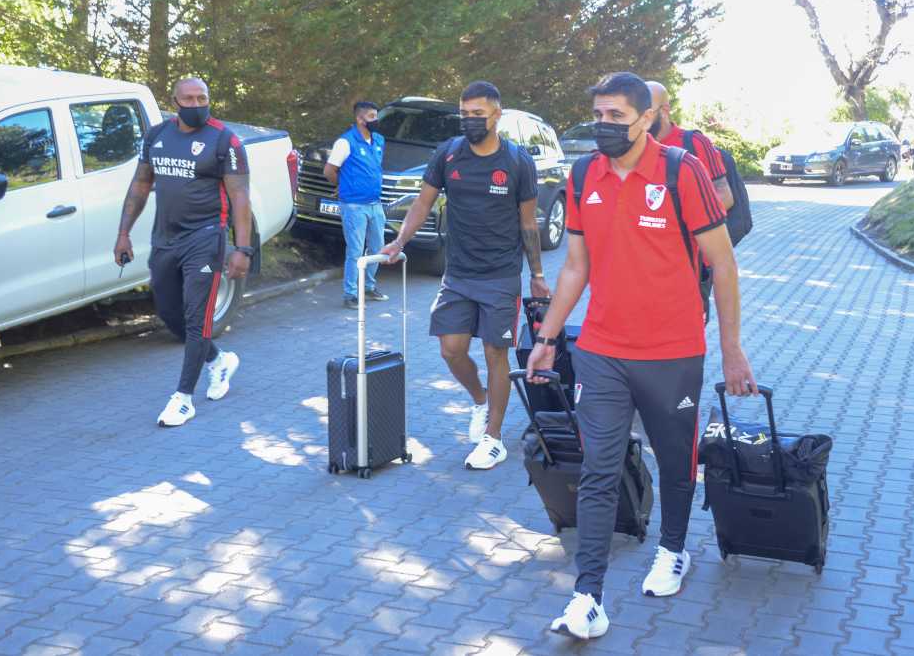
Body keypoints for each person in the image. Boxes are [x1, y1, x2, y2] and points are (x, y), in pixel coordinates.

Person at [526, 72, 757, 641]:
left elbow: (723, 264)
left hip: (673, 352)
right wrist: (548, 338)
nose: (604, 126)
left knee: (676, 460)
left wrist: (732, 350)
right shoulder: (585, 174)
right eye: (598, 116)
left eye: (617, 117)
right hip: (602, 350)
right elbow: (575, 266)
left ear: (647, 118)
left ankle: (673, 548)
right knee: (599, 469)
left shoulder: (682, 171)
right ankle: (587, 597)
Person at [381, 81, 550, 469]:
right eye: (465, 114)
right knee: (451, 349)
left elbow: (528, 223)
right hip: (457, 273)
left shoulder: (517, 161)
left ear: (496, 115)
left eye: (478, 114)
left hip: (501, 275)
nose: (470, 120)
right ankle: (480, 400)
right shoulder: (448, 154)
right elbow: (422, 203)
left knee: (495, 352)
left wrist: (537, 273)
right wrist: (400, 241)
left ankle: (494, 438)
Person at [115, 77, 252, 427]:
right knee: (169, 312)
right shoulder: (156, 136)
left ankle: (183, 399)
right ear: (174, 101)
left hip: (205, 238)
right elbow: (141, 184)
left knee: (197, 318)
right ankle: (218, 360)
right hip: (165, 239)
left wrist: (243, 248)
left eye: (202, 98)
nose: (196, 104)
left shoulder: (225, 140)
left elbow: (240, 196)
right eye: (188, 99)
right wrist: (123, 233)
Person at [324, 101, 389, 309]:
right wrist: (344, 186)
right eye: (371, 116)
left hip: (375, 203)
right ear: (360, 119)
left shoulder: (379, 140)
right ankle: (350, 294)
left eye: (376, 116)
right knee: (355, 250)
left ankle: (368, 287)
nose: (376, 120)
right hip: (353, 205)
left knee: (378, 247)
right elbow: (329, 171)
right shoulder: (345, 142)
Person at [645, 81, 733, 210]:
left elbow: (725, 197)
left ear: (664, 111)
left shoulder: (695, 142)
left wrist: (683, 219)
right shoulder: (633, 145)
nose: (641, 118)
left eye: (647, 111)